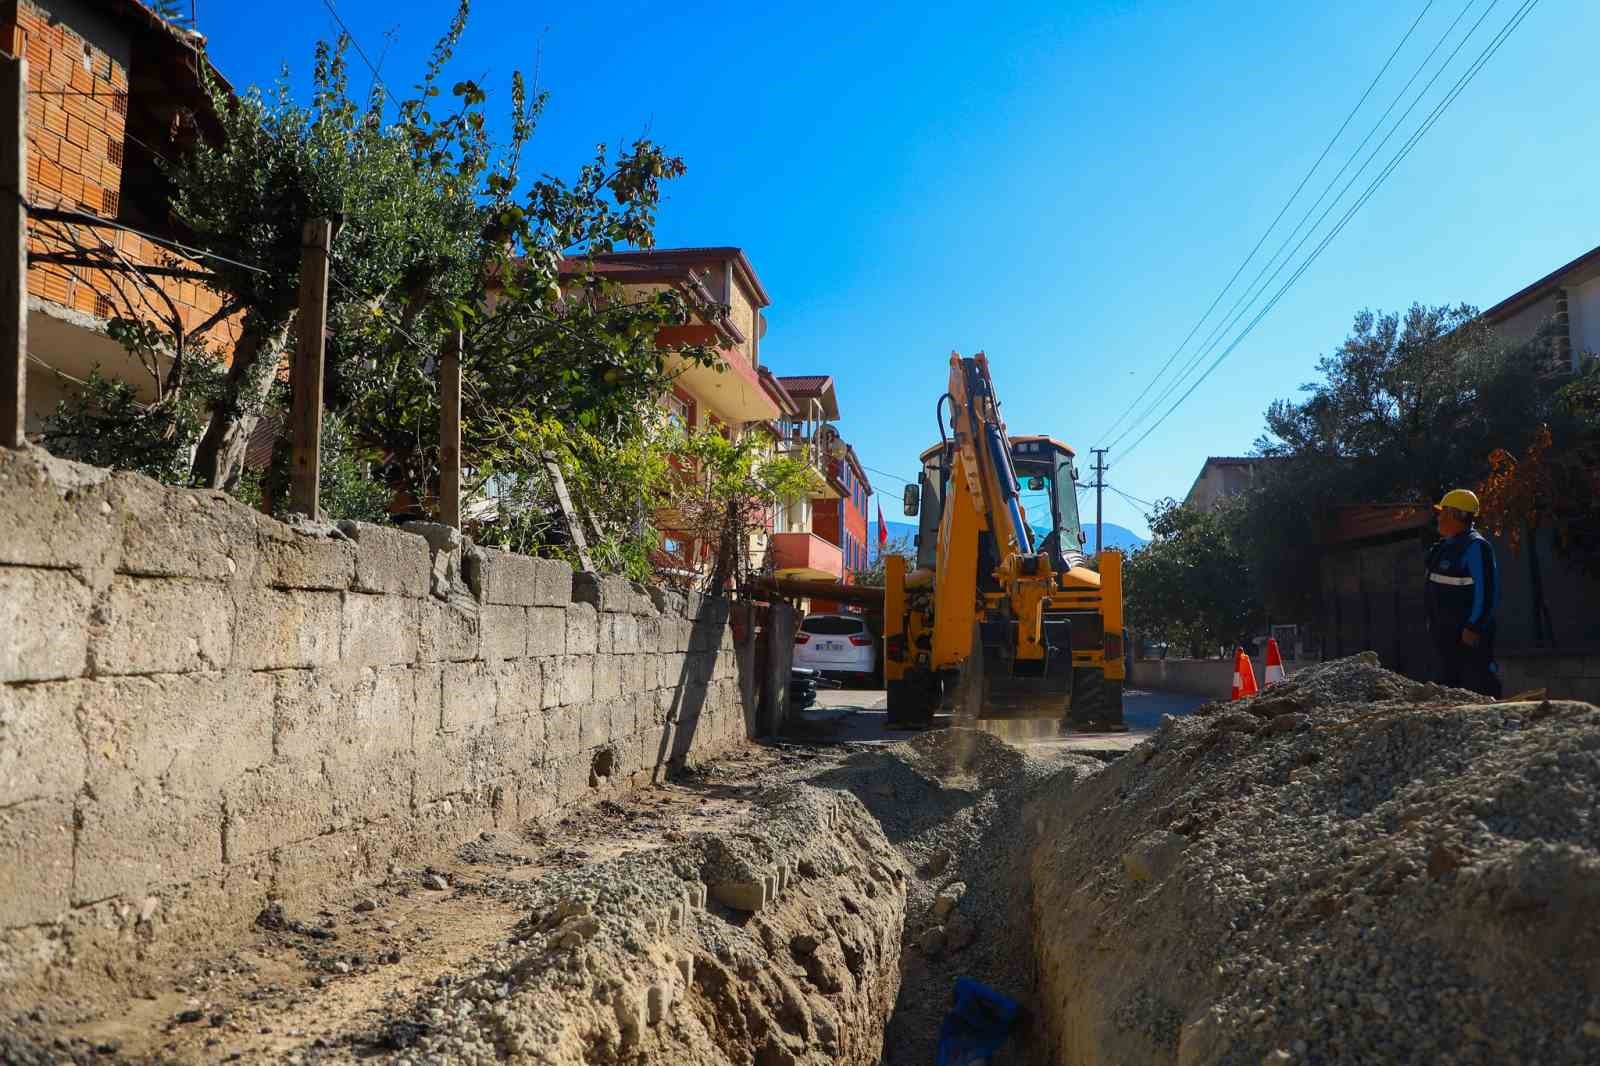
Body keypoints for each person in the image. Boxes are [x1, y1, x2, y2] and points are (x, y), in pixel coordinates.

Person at [1423, 489, 1502, 697]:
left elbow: (1487, 593)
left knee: (1479, 684)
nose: (1439, 517)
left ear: (1458, 515)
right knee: (1448, 688)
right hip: (1444, 634)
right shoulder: (1441, 548)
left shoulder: (1476, 547)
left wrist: (1473, 627)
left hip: (1467, 636)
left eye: (1444, 512)